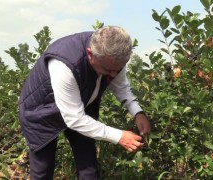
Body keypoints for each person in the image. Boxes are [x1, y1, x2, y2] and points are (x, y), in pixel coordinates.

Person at [18, 26, 151, 179]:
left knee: (88, 167)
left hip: (81, 106)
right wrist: (118, 136)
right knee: (42, 171)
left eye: (118, 69)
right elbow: (74, 119)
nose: (114, 74)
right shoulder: (64, 64)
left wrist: (137, 112)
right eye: (108, 69)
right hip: (41, 112)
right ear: (90, 54)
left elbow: (120, 87)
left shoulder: (112, 57)